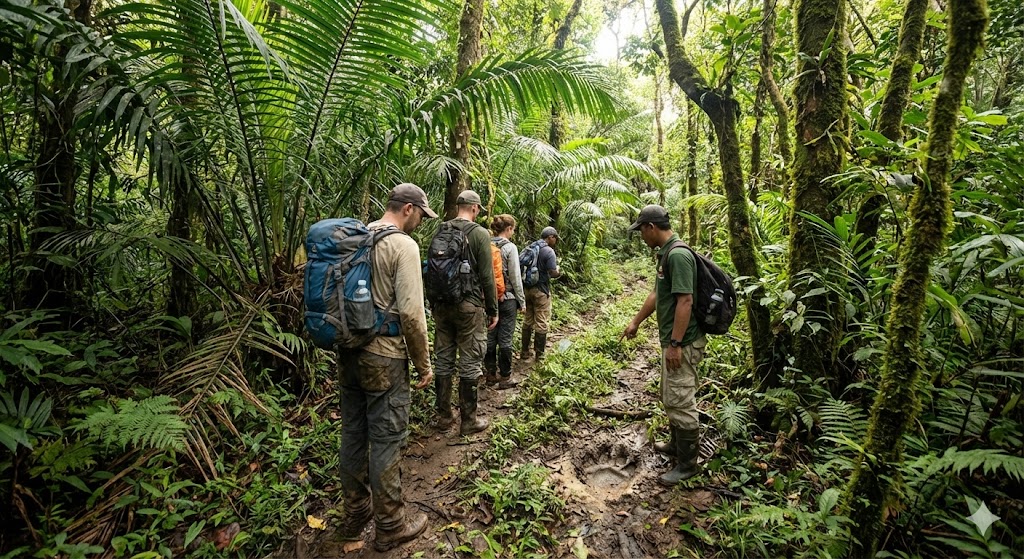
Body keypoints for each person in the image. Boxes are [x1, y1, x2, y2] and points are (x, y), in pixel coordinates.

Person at [336, 183, 437, 551]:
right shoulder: (402, 246)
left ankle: (354, 515)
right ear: (408, 209)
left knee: (352, 433)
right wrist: (423, 363)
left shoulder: (357, 237)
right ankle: (391, 523)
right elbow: (412, 314)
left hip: (347, 354)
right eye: (421, 216)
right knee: (385, 439)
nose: (420, 224)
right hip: (385, 357)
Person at [620, 204, 707, 486]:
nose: (642, 237)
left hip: (683, 342)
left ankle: (687, 465)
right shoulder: (665, 254)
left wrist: (675, 344)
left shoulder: (678, 255)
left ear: (651, 228)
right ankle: (676, 445)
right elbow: (658, 294)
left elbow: (685, 301)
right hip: (673, 340)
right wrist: (636, 322)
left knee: (681, 399)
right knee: (670, 395)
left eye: (641, 231)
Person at [431, 190, 499, 435]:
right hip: (469, 306)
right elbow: (487, 276)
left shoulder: (441, 229)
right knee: (470, 361)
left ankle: (444, 416)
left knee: (444, 359)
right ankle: (468, 421)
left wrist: (433, 303)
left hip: (441, 305)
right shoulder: (480, 233)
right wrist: (493, 309)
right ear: (475, 208)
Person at [484, 214, 527, 390]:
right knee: (506, 338)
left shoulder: (485, 245)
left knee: (490, 337)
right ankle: (505, 376)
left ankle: (490, 374)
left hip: (489, 298)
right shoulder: (510, 248)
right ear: (508, 229)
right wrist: (522, 301)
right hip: (508, 298)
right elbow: (515, 277)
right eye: (513, 229)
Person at [521, 226, 561, 361]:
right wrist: (559, 271)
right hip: (541, 291)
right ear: (550, 237)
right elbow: (552, 272)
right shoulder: (549, 251)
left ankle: (524, 351)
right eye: (555, 238)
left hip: (527, 289)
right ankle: (539, 355)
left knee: (528, 319)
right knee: (541, 321)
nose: (555, 241)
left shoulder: (530, 247)